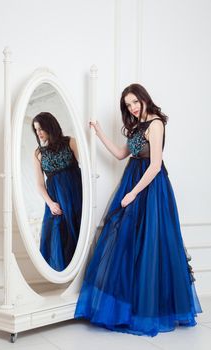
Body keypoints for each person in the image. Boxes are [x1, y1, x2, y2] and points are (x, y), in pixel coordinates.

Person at [74, 84, 202, 336]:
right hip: (132, 181)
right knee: (127, 241)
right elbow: (122, 154)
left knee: (151, 245)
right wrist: (98, 132)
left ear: (144, 99)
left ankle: (150, 309)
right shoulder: (136, 126)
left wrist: (133, 193)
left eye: (135, 102)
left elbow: (154, 166)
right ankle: (127, 307)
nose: (132, 107)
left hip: (150, 188)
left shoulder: (155, 123)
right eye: (128, 104)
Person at [32, 112, 82, 271]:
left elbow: (87, 170)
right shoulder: (38, 153)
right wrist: (51, 203)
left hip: (76, 194)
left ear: (50, 126)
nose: (38, 133)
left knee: (79, 232)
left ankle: (79, 275)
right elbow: (39, 184)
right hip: (55, 199)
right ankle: (64, 278)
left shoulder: (70, 142)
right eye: (36, 130)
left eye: (41, 129)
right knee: (57, 236)